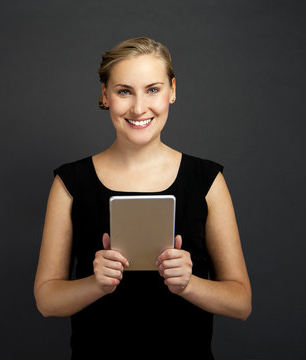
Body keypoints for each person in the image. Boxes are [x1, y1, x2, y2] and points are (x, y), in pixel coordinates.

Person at [33, 37, 251, 359]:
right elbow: (47, 300)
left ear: (172, 91)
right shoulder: (70, 182)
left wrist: (189, 284)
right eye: (124, 91)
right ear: (105, 95)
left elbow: (241, 303)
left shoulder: (207, 180)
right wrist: (96, 283)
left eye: (153, 89)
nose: (138, 108)